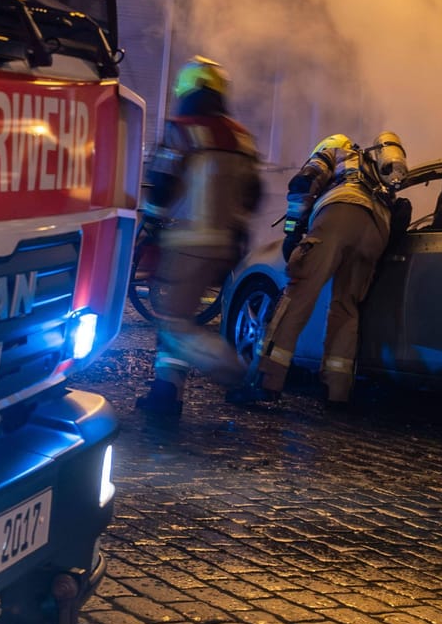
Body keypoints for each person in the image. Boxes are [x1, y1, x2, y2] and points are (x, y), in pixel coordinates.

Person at [230, 130, 408, 407]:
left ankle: (266, 382)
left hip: (340, 213)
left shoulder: (335, 150)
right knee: (346, 308)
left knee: (297, 296)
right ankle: (337, 392)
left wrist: (292, 232)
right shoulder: (374, 166)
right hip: (376, 230)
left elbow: (304, 182)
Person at [133, 58, 263, 417]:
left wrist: (152, 227)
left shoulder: (183, 130)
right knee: (179, 319)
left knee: (174, 325)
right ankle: (166, 394)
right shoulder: (242, 137)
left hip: (185, 243)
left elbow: (161, 185)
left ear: (189, 89)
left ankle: (237, 371)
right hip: (224, 246)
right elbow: (254, 195)